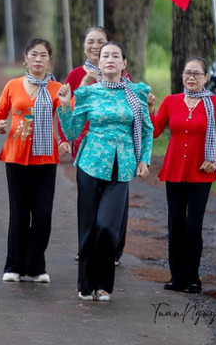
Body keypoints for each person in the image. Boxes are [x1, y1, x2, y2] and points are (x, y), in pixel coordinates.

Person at [57, 41, 153, 302]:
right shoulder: (88, 93)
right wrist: (66, 105)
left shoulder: (136, 94)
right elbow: (73, 131)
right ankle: (86, 285)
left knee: (109, 227)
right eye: (104, 56)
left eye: (115, 56)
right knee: (88, 226)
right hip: (90, 164)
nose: (109, 59)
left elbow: (146, 130)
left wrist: (143, 159)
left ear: (124, 64)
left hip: (122, 167)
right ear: (98, 64)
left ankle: (104, 284)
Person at [151, 56, 216, 294]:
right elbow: (155, 131)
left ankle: (193, 277)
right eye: (187, 73)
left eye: (196, 73)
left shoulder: (214, 104)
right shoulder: (171, 101)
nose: (190, 77)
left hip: (201, 173)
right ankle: (176, 277)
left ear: (206, 78)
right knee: (175, 225)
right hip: (175, 171)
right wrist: (150, 111)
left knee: (193, 227)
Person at [0, 38, 66, 285]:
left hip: (45, 158)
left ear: (49, 61)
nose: (38, 59)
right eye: (34, 54)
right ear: (26, 58)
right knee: (19, 213)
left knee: (43, 214)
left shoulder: (57, 88)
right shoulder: (13, 85)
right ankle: (14, 265)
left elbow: (68, 119)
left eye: (43, 55)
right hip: (15, 157)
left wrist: (66, 105)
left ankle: (35, 266)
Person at [58, 26, 130, 266]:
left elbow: (132, 110)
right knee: (87, 200)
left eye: (101, 41)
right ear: (84, 45)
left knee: (115, 201)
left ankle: (113, 250)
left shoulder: (121, 73)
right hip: (86, 143)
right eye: (90, 41)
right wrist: (64, 139)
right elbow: (66, 104)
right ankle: (86, 247)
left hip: (117, 147)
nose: (95, 46)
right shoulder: (75, 74)